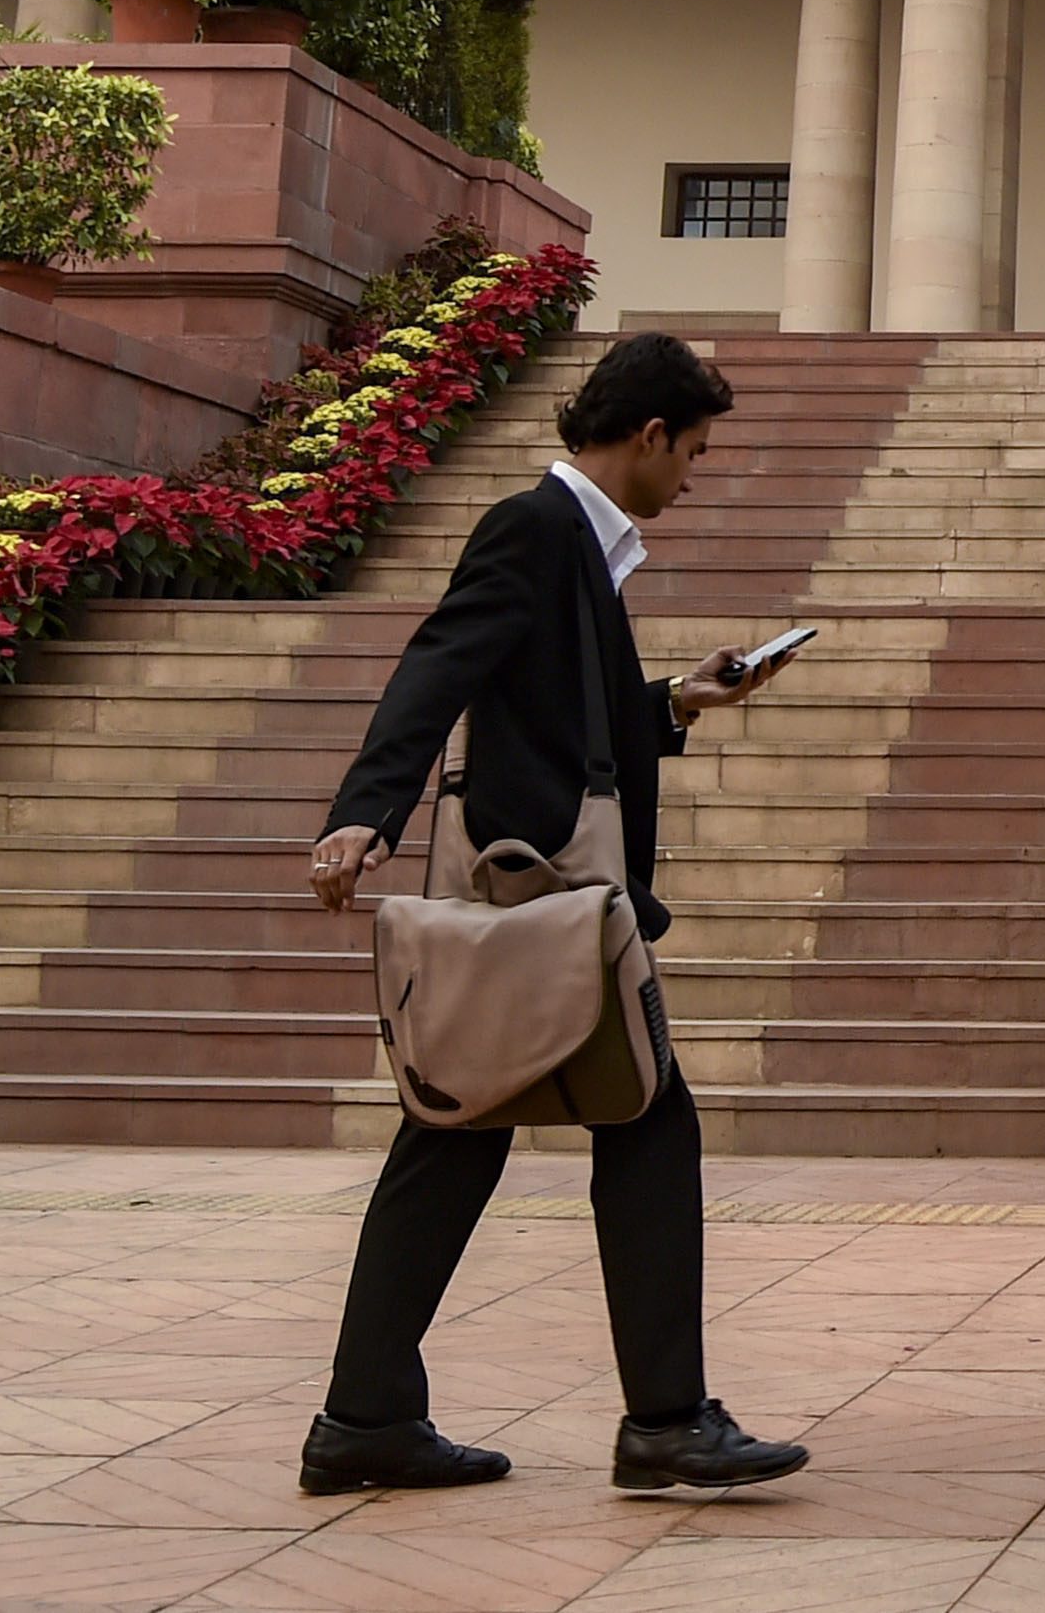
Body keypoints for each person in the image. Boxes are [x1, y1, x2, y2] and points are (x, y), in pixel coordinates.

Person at [297, 330, 810, 1498]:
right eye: (693, 452)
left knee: (458, 1137)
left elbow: (560, 710)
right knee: (644, 1121)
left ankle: (366, 1415)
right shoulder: (535, 528)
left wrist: (676, 699)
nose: (692, 475)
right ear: (647, 435)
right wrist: (366, 812)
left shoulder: (576, 543)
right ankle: (667, 1421)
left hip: (548, 893)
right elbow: (442, 662)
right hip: (539, 892)